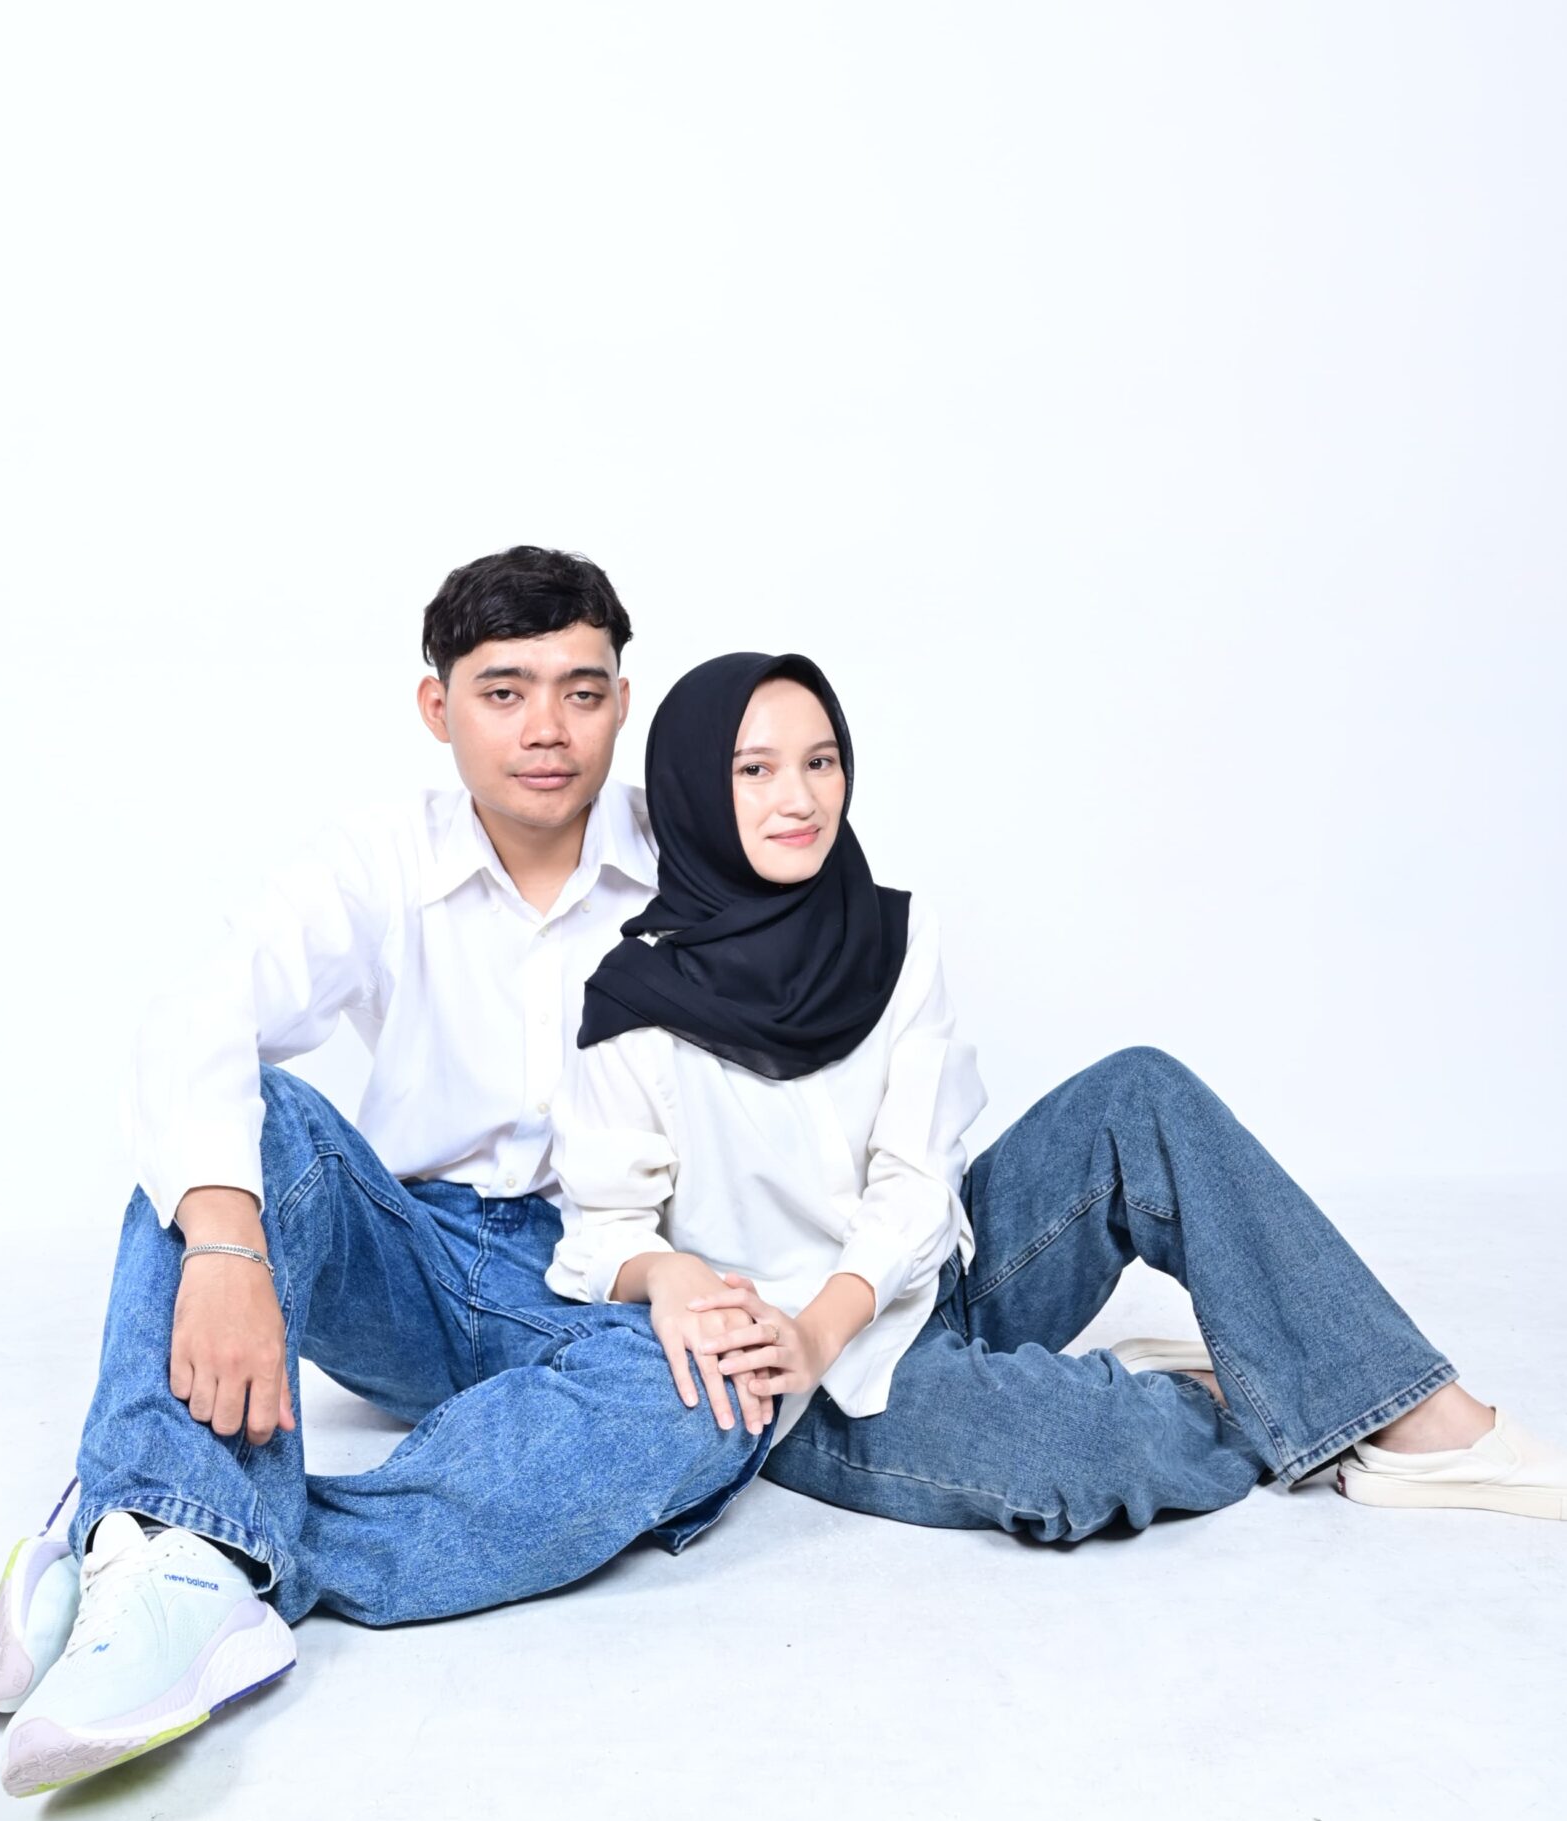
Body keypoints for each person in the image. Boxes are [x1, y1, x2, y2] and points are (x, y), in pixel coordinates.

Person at [0, 546, 768, 1800]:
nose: (546, 729)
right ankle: (174, 1536)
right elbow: (199, 1019)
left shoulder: (701, 859)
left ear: (622, 702)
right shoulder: (380, 858)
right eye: (502, 691)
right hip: (408, 1254)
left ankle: (172, 1538)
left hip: (605, 1275)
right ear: (436, 707)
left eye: (581, 691)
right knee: (247, 1124)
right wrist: (227, 1244)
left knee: (718, 1397)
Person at [545, 650, 1567, 1549]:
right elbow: (599, 1236)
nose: (800, 798)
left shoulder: (892, 935)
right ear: (692, 790)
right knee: (1086, 1454)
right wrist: (678, 1277)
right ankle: (1272, 1372)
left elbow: (915, 1179)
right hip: (801, 1384)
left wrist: (835, 1315)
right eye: (754, 770)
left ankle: (1419, 1421)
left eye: (820, 761)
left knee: (1140, 1090)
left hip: (922, 1280)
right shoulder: (633, 1007)